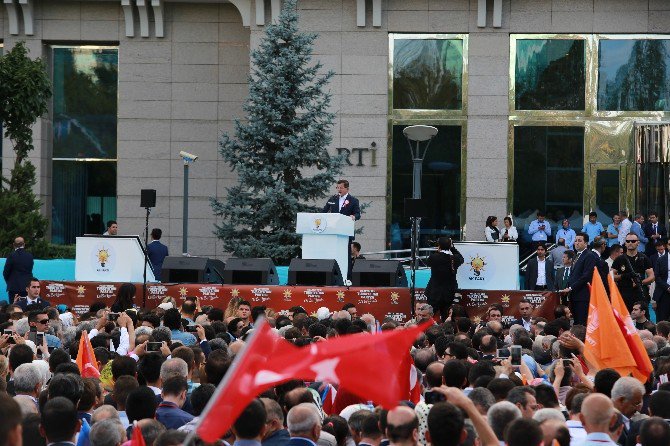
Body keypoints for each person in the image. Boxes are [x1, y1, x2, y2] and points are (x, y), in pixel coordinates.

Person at [424, 237, 464, 322]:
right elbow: (461, 258)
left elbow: (428, 262)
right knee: (446, 317)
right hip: (448, 292)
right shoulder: (454, 258)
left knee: (429, 316)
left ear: (439, 246)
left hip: (434, 292)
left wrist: (438, 250)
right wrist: (452, 248)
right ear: (450, 246)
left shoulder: (433, 257)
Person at [612, 233, 654, 312]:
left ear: (638, 242)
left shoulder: (644, 258)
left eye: (633, 241)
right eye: (628, 241)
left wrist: (641, 282)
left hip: (640, 293)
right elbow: (611, 276)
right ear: (625, 243)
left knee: (643, 321)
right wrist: (624, 276)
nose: (630, 243)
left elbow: (651, 277)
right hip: (624, 294)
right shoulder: (619, 259)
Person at [561, 233, 597, 326]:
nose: (577, 243)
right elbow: (573, 275)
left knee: (581, 323)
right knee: (576, 322)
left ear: (586, 243)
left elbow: (586, 276)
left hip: (583, 295)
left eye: (579, 240)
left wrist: (571, 288)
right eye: (576, 240)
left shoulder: (589, 255)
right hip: (574, 295)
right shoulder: (576, 255)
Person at [3, 236, 34, 301]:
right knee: (26, 308)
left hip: (14, 288)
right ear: (24, 244)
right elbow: (30, 271)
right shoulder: (30, 256)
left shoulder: (11, 256)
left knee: (14, 308)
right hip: (27, 288)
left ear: (13, 245)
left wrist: (9, 282)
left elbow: (5, 272)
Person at [653, 239, 670, 322]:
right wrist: (667, 287)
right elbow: (656, 277)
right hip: (664, 292)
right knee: (662, 321)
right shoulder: (660, 259)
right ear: (667, 246)